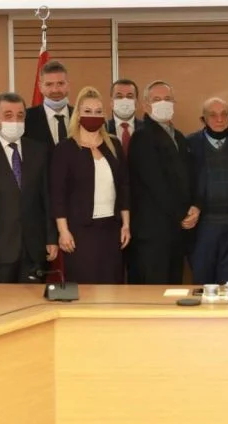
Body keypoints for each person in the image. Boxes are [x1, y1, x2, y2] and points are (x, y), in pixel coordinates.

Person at [0, 93, 58, 283]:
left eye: (20, 116)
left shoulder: (39, 151)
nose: (15, 121)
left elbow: (47, 198)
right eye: (8, 115)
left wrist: (51, 238)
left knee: (33, 300)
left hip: (34, 249)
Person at [50, 87, 131, 283]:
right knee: (85, 285)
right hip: (80, 232)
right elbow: (58, 194)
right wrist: (63, 231)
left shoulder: (113, 145)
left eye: (98, 111)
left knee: (113, 284)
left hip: (111, 229)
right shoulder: (65, 149)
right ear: (78, 115)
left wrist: (126, 225)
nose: (93, 116)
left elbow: (124, 187)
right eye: (87, 111)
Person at [127, 80, 198, 284]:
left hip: (176, 231)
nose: (163, 103)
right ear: (145, 106)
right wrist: (182, 214)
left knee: (173, 287)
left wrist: (195, 206)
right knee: (154, 290)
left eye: (167, 99)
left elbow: (190, 177)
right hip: (153, 233)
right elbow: (155, 184)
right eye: (157, 99)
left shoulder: (180, 138)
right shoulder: (141, 137)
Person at [188, 97, 228, 285]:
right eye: (213, 115)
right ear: (203, 119)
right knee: (203, 282)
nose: (219, 119)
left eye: (224, 114)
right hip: (203, 225)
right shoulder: (190, 143)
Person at [24, 60, 72, 148]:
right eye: (49, 84)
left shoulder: (81, 116)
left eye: (60, 83)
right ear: (40, 86)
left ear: (68, 85)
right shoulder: (26, 118)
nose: (55, 90)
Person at [106, 78, 144, 157]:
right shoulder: (102, 129)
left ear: (136, 103)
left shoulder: (148, 129)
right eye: (119, 96)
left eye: (129, 96)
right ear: (111, 102)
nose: (124, 100)